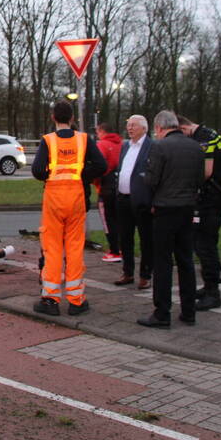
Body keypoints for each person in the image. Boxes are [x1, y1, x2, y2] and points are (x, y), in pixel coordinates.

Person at [31, 100, 107, 317]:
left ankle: (50, 299)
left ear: (53, 117)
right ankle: (76, 300)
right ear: (72, 118)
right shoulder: (84, 140)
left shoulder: (48, 141)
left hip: (54, 197)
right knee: (74, 247)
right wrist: (81, 176)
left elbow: (37, 170)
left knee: (52, 247)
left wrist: (52, 176)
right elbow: (101, 165)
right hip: (76, 197)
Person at [137, 110, 204, 328]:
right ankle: (189, 311)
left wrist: (146, 180)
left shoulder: (159, 147)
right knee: (186, 261)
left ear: (158, 128)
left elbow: (152, 179)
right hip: (187, 208)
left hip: (165, 209)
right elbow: (200, 177)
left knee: (163, 262)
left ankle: (162, 312)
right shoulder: (195, 146)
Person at [177, 115, 221, 311]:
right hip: (210, 198)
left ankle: (213, 293)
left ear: (183, 128)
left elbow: (206, 171)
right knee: (201, 244)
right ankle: (208, 286)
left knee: (205, 244)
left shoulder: (204, 138)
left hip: (211, 199)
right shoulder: (205, 134)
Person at [114, 115, 154, 289]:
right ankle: (127, 272)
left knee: (146, 238)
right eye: (128, 125)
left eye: (134, 126)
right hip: (123, 198)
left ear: (144, 128)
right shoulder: (125, 146)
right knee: (125, 237)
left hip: (142, 200)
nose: (130, 128)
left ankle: (146, 274)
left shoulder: (151, 146)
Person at [94, 122, 123, 263]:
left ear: (101, 131)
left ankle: (114, 250)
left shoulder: (102, 145)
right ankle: (122, 247)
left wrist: (96, 181)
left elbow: (98, 166)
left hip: (106, 187)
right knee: (120, 219)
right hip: (121, 187)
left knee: (108, 220)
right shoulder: (122, 144)